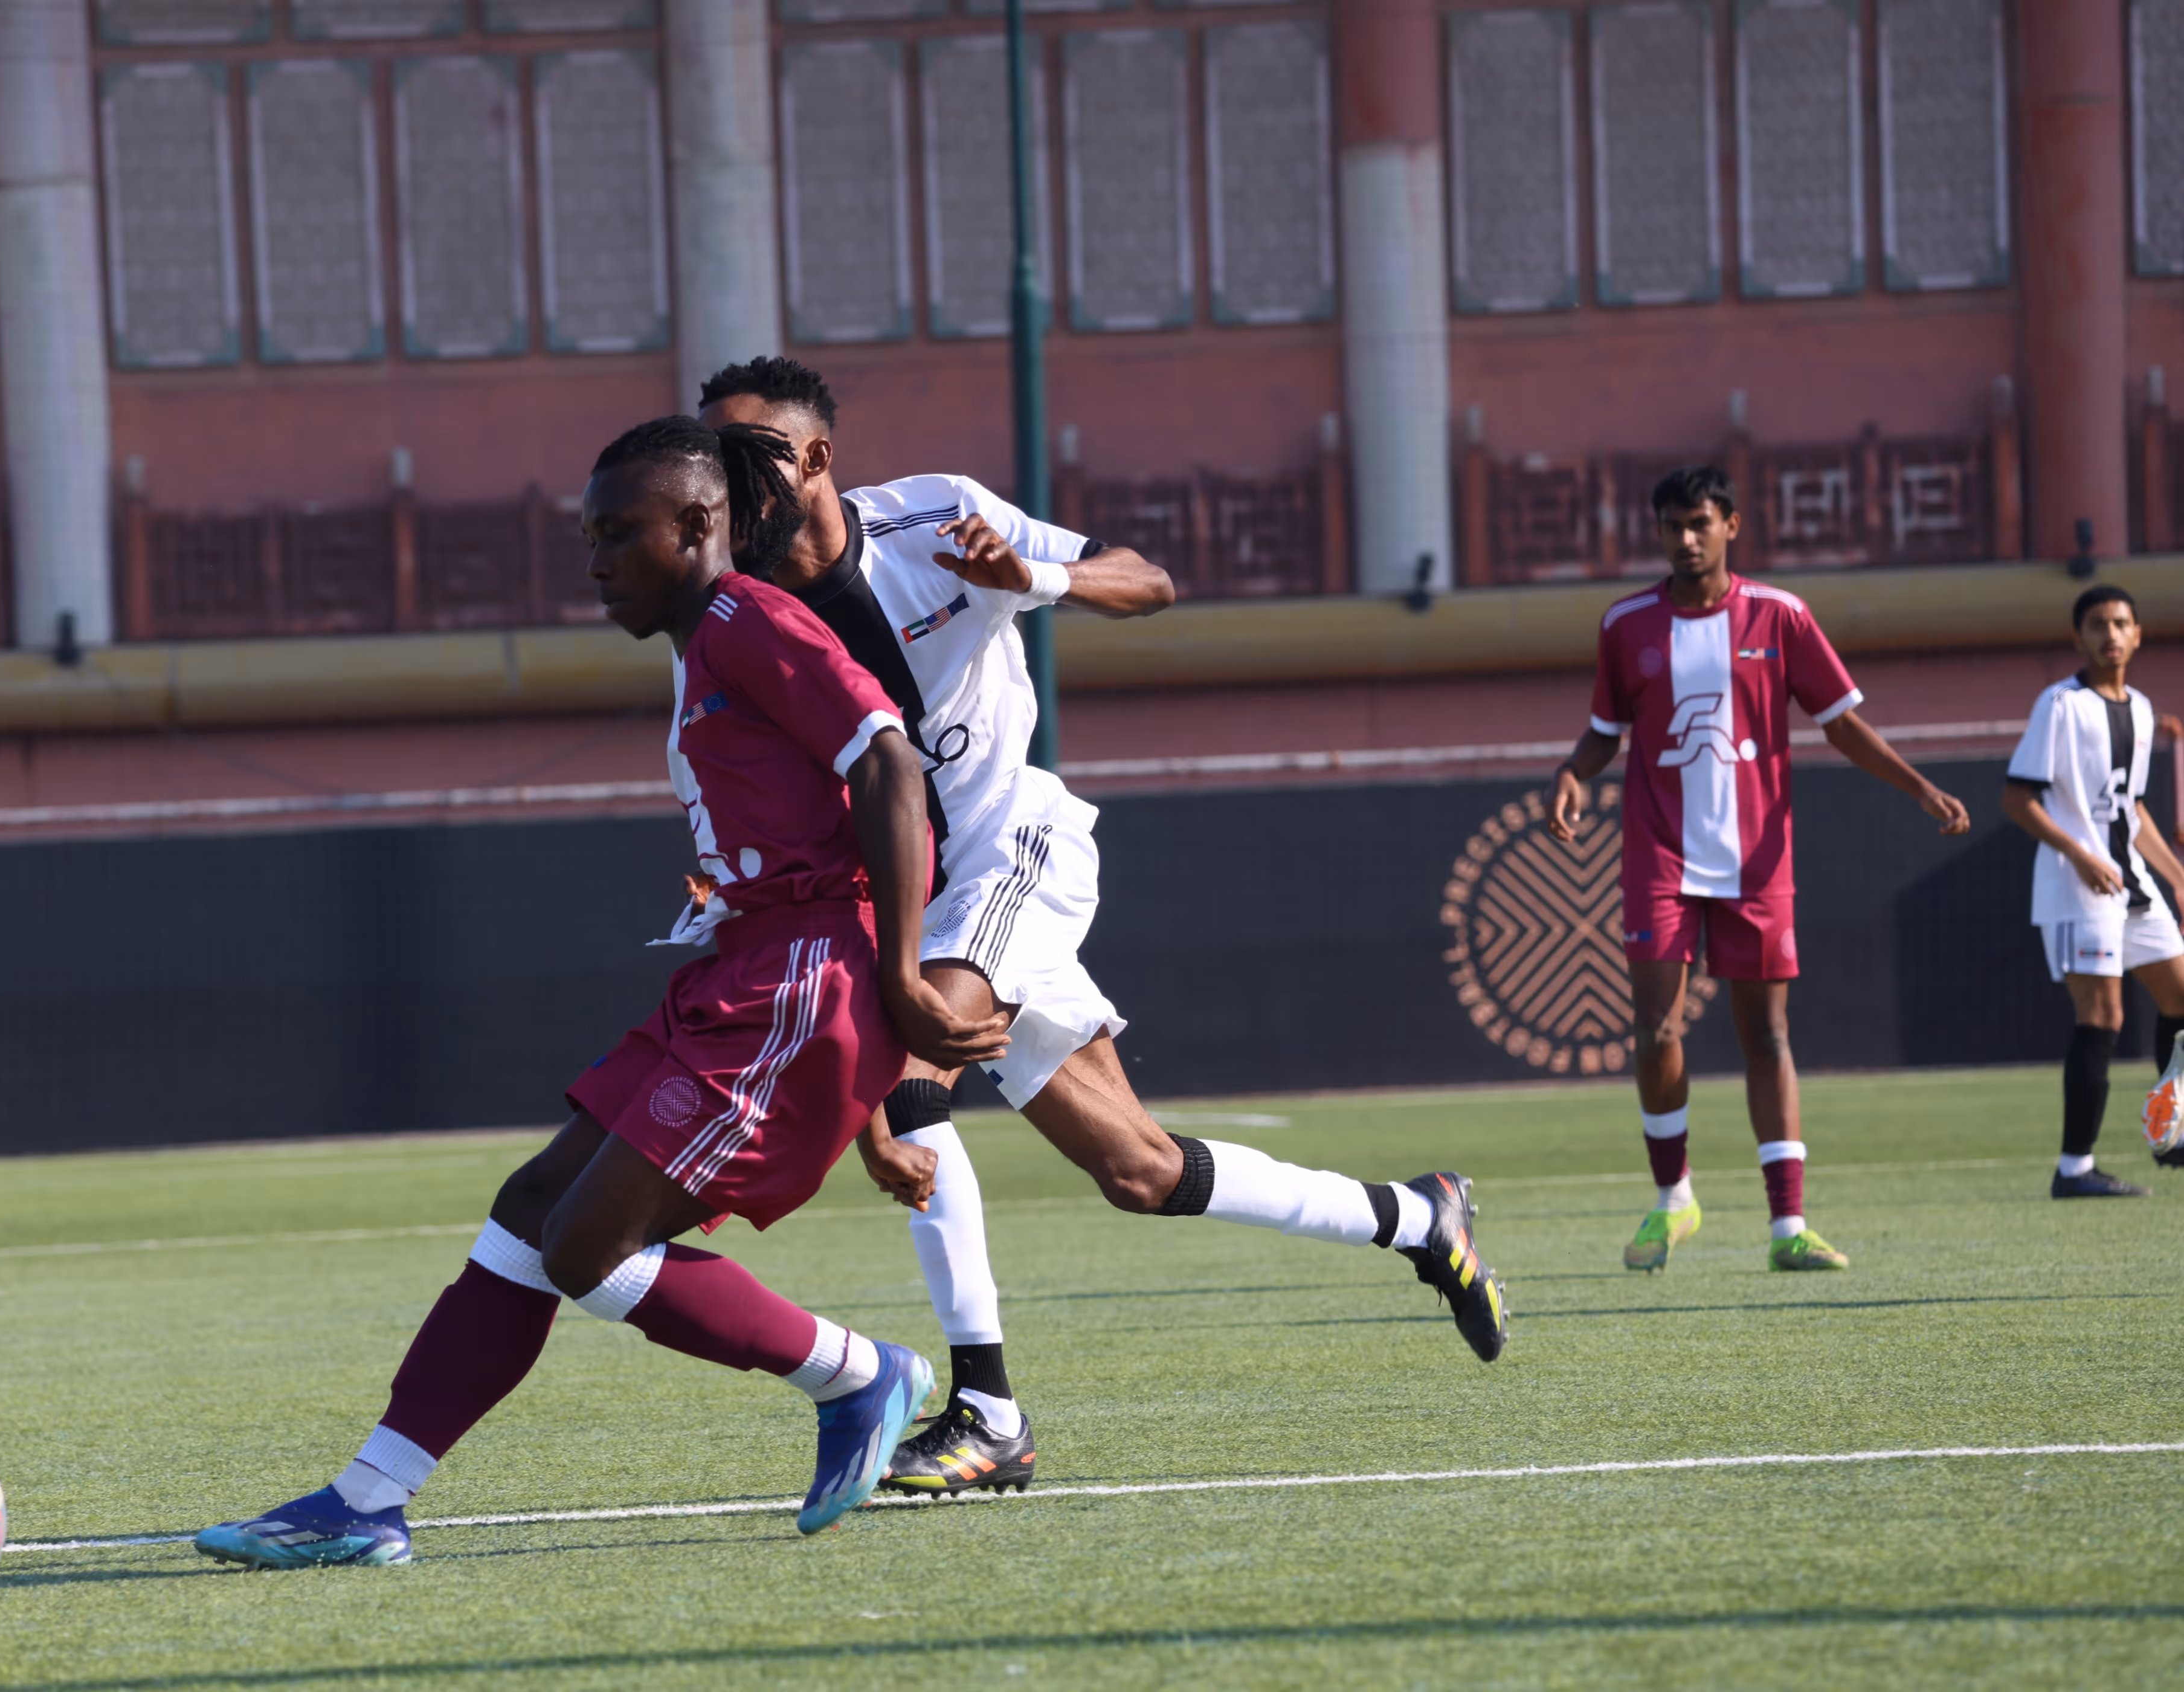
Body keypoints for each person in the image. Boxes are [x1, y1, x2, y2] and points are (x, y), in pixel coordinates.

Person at [194, 415, 1010, 1566]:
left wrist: (899, 981)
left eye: (619, 533)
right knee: (532, 1209)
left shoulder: (746, 619)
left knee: (585, 1247)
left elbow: (887, 763)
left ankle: (859, 1379)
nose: (596, 560)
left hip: (800, 978)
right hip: (746, 967)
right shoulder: (704, 644)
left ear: (696, 526)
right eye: (589, 537)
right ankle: (368, 1498)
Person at [699, 356, 1507, 1499]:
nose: (728, 481)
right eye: (713, 461)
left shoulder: (940, 518)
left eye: (751, 455)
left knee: (915, 1059)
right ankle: (1417, 1219)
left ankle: (987, 1413)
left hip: (1013, 842)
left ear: (818, 459)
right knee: (1140, 1169)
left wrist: (1032, 572)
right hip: (923, 895)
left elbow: (1148, 581)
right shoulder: (741, 609)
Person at [1549, 465, 1970, 1274]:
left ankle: (1789, 1228)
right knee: (1655, 1028)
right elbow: (1603, 731)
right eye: (1672, 525)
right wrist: (1572, 774)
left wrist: (1918, 787)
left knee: (1767, 1033)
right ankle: (1674, 1201)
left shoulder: (1781, 616)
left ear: (1731, 526)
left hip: (1755, 857)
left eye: (1700, 523)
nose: (1685, 538)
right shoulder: (1626, 623)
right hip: (1660, 853)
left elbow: (1843, 724)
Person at [2003, 583, 2184, 1198]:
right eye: (2099, 624)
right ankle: (2074, 1168)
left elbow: (2130, 807)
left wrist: (2177, 876)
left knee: (2181, 1002)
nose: (2111, 633)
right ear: (2078, 636)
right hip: (2076, 883)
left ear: (2138, 634)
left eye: (2122, 623)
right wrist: (2079, 855)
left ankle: (2172, 1132)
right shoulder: (2059, 704)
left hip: (2129, 879)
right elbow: (2017, 798)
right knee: (2102, 1015)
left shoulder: (2139, 706)